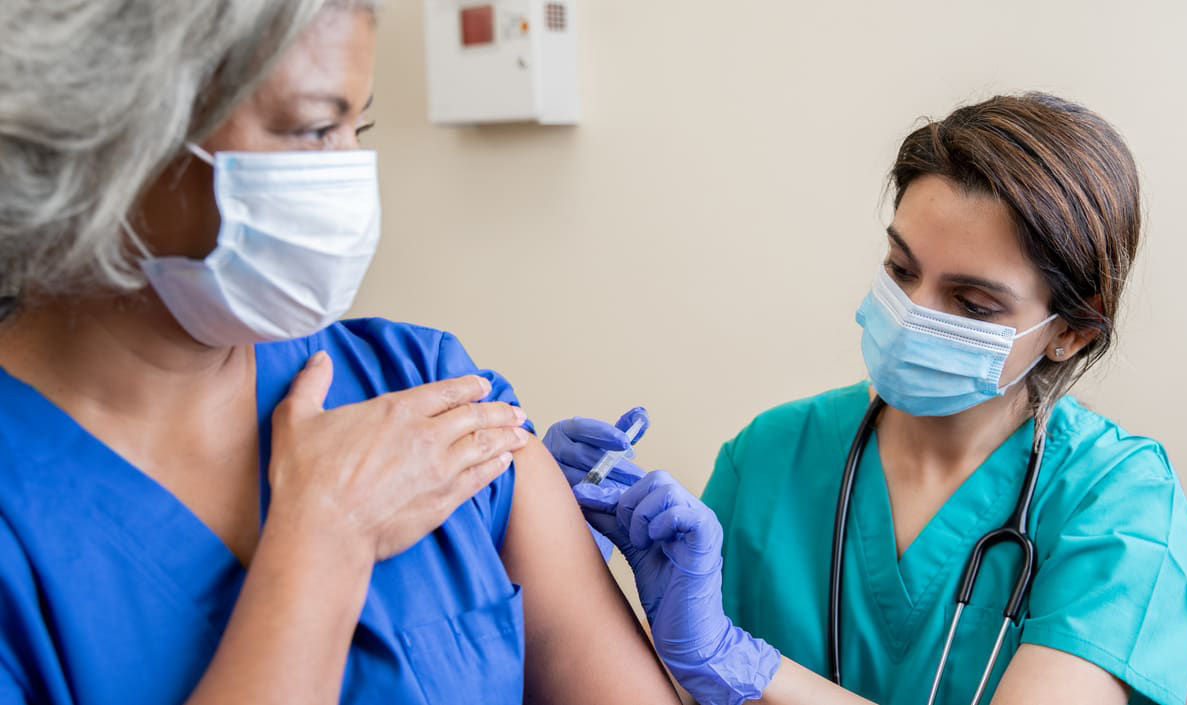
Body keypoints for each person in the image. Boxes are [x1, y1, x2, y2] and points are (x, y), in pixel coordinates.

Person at [0, 2, 679, 703]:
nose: (351, 173)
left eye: (361, 125)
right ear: (109, 125)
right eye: (315, 128)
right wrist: (323, 540)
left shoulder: (418, 385)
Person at [545, 94, 1187, 705]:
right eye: (901, 269)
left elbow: (718, 661)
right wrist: (565, 564)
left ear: (1071, 329)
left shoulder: (1121, 505)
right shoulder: (770, 456)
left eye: (972, 304)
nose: (913, 314)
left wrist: (741, 660)